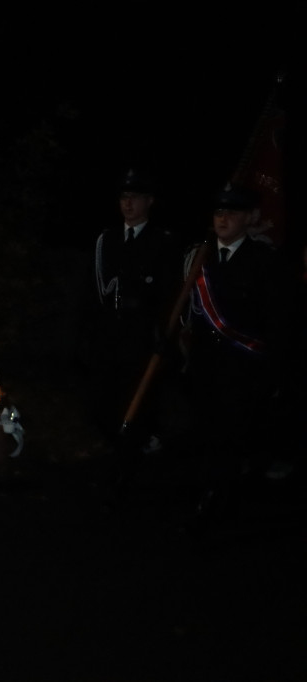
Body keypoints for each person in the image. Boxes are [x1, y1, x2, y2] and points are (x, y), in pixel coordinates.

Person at [181, 182, 293, 531]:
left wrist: (271, 372)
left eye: (232, 212)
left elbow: (276, 320)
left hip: (242, 368)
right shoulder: (199, 257)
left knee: (230, 439)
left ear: (249, 219)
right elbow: (187, 314)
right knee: (204, 435)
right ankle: (208, 496)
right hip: (203, 366)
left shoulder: (264, 262)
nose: (223, 219)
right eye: (218, 212)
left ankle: (219, 506)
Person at [87, 169, 181, 457]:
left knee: (139, 393)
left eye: (135, 198)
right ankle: (116, 442)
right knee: (105, 394)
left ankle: (139, 444)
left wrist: (164, 331)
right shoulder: (108, 239)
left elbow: (168, 292)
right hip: (111, 327)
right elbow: (95, 290)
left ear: (149, 201)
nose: (128, 204)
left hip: (142, 328)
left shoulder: (162, 241)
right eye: (124, 197)